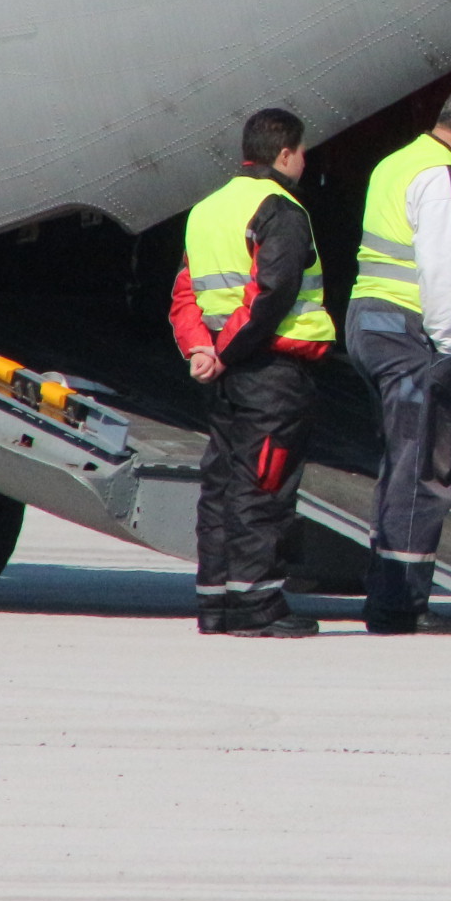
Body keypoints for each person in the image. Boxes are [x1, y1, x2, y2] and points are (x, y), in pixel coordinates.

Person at [168, 107, 334, 638]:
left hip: (222, 374)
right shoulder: (280, 208)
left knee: (220, 484)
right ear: (284, 154)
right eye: (302, 151)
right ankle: (257, 605)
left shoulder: (206, 210)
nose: (304, 162)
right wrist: (227, 351)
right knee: (262, 486)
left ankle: (215, 602)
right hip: (269, 369)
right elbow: (271, 293)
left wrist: (201, 350)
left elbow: (184, 294)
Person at [347, 82, 451, 637]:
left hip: (372, 321)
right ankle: (399, 607)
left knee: (400, 463)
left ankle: (390, 594)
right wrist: (448, 342)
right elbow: (441, 268)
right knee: (420, 471)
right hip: (411, 332)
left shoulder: (398, 162)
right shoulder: (445, 181)